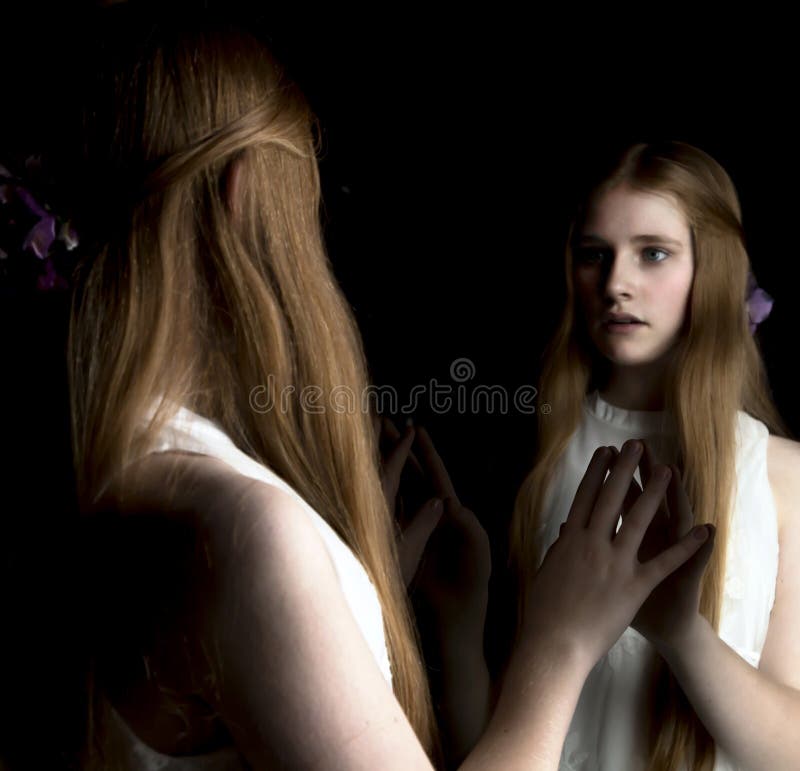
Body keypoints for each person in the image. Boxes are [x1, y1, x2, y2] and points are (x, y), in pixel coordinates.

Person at [11, 9, 711, 770]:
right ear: (243, 196)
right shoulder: (242, 527)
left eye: (654, 253)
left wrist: (379, 603)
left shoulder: (108, 470)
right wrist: (559, 644)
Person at [509, 140, 800, 770]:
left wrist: (681, 635)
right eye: (595, 255)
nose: (616, 283)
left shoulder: (784, 476)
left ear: (714, 269)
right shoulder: (535, 459)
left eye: (653, 253)